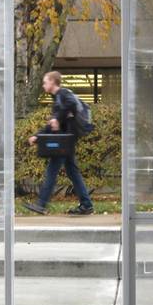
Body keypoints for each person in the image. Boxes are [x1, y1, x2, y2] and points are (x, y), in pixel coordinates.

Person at [24, 71, 94, 215]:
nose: (43, 85)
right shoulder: (58, 99)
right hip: (66, 138)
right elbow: (52, 124)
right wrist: (37, 136)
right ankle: (86, 204)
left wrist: (57, 118)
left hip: (65, 139)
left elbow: (69, 106)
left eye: (45, 82)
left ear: (52, 82)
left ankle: (41, 204)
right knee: (72, 171)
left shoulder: (63, 94)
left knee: (52, 170)